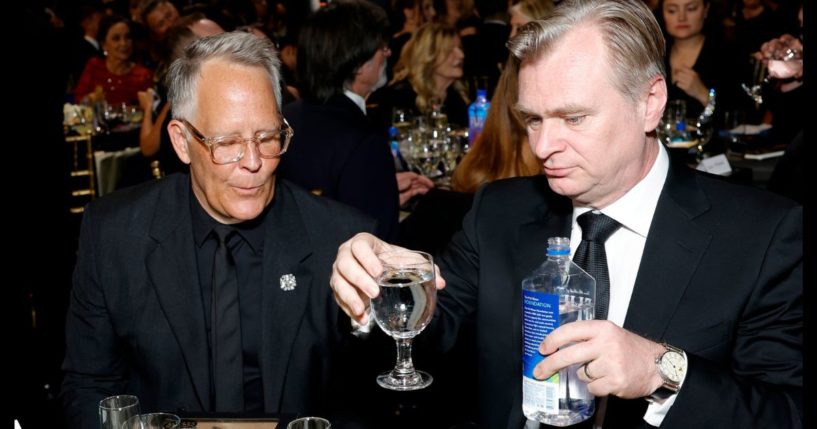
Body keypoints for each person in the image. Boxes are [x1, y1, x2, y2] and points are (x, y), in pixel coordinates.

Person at [330, 0, 802, 427]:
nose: (543, 146)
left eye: (574, 118)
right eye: (533, 119)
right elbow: (434, 324)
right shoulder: (500, 211)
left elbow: (785, 411)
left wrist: (663, 371)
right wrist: (378, 286)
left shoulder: (761, 235)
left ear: (650, 103)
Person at [61, 31, 378, 428]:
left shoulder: (339, 237)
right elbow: (88, 387)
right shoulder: (115, 233)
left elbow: (369, 396)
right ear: (181, 141)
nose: (253, 162)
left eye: (266, 137)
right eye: (227, 142)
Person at [279, 0, 433, 243]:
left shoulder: (287, 116)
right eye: (382, 46)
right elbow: (379, 243)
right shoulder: (363, 141)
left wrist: (382, 190)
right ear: (360, 65)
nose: (388, 52)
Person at [74, 14, 153, 106]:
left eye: (127, 37)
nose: (123, 44)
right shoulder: (94, 66)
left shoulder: (143, 75)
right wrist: (90, 99)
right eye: (116, 38)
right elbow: (78, 100)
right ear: (104, 44)